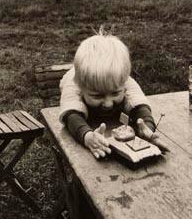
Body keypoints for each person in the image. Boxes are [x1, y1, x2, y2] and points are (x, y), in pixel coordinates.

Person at [59, 30, 168, 159]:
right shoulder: (75, 84)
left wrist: (147, 128)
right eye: (97, 96)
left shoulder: (123, 80)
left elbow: (139, 104)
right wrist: (87, 136)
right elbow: (71, 115)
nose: (108, 104)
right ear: (82, 88)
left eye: (115, 93)